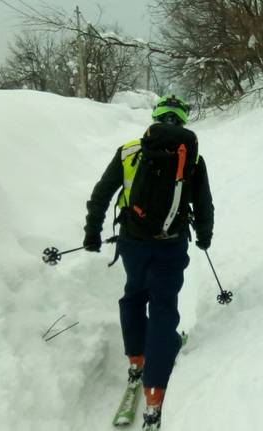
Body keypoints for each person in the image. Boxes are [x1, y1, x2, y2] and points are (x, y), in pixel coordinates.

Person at [82, 95, 214, 430]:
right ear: (182, 122)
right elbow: (204, 203)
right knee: (163, 307)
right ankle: (155, 391)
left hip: (133, 242)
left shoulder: (129, 151)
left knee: (134, 295)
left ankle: (136, 361)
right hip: (171, 244)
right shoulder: (192, 158)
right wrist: (204, 235)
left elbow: (102, 192)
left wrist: (92, 231)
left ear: (154, 119)